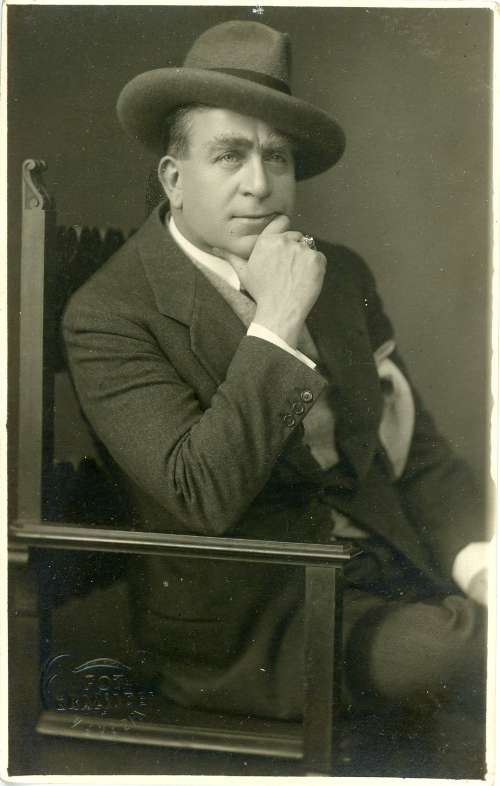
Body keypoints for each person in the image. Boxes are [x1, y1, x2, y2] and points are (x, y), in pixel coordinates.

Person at [63, 20, 489, 775]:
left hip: (389, 568)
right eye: (229, 155)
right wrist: (279, 319)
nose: (259, 184)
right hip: (253, 622)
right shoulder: (110, 313)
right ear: (173, 178)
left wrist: (483, 567)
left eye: (277, 157)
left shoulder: (341, 275)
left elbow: (419, 457)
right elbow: (201, 493)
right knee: (469, 654)